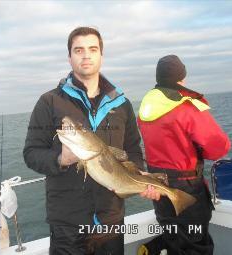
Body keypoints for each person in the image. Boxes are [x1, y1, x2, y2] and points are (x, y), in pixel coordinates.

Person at [23, 26, 146, 254]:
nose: (86, 55)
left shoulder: (121, 104)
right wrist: (60, 158)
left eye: (93, 49)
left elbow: (133, 150)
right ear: (69, 57)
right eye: (78, 50)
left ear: (101, 55)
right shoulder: (49, 102)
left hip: (111, 220)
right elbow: (31, 153)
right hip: (67, 224)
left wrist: (139, 176)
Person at [137, 55, 231, 255]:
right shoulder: (186, 106)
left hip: (160, 188)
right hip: (187, 189)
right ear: (182, 78)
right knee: (195, 246)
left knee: (174, 239)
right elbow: (219, 148)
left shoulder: (145, 108)